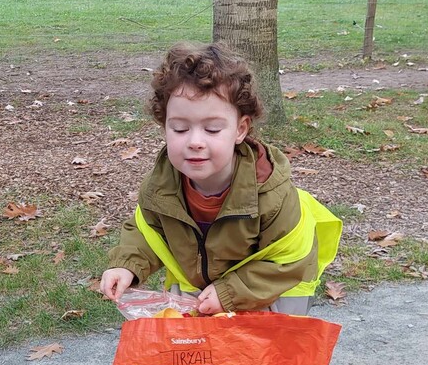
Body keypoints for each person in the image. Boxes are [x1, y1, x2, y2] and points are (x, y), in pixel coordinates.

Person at [99, 42, 341, 316]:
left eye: (212, 129)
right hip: (201, 293)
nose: (195, 142)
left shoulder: (271, 194)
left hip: (269, 298)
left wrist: (230, 292)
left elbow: (289, 261)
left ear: (240, 130)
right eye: (179, 128)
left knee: (257, 358)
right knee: (193, 355)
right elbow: (147, 232)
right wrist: (127, 264)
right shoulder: (161, 188)